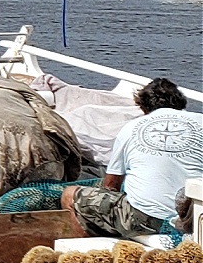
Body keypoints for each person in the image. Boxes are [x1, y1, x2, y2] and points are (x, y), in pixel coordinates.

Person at [63, 76, 203, 237]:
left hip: (145, 220)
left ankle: (88, 256)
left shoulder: (131, 128)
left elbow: (111, 185)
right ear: (181, 103)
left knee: (70, 195)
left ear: (143, 107)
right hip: (193, 217)